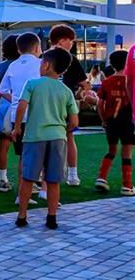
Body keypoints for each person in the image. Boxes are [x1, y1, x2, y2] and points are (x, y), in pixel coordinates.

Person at [12, 48, 78, 229]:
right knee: (53, 180)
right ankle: (51, 217)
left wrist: (17, 127)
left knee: (28, 178)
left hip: (34, 137)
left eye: (41, 63)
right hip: (58, 138)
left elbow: (21, 106)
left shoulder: (32, 84)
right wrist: (64, 131)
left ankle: (22, 216)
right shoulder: (66, 91)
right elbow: (74, 120)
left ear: (47, 65)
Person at [0, 32, 44, 204]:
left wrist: (17, 100)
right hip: (37, 113)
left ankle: (22, 193)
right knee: (42, 153)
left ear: (18, 49)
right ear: (37, 48)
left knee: (22, 155)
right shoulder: (41, 64)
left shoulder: (13, 66)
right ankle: (42, 189)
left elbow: (2, 90)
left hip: (17, 115)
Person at [48, 24, 87, 186]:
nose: (72, 43)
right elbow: (85, 84)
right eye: (70, 40)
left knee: (45, 140)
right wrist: (79, 94)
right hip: (65, 103)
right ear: (62, 40)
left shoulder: (44, 57)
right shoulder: (71, 59)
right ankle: (72, 175)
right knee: (69, 137)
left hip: (45, 102)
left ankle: (42, 178)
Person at [95, 49, 134, 195]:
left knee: (111, 150)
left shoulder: (106, 82)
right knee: (127, 153)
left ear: (111, 65)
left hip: (111, 121)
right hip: (128, 121)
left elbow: (100, 104)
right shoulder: (131, 81)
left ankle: (101, 178)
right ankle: (127, 185)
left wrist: (104, 119)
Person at [0, 34, 20, 192]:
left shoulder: (1, 66)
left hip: (3, 105)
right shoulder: (23, 64)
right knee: (26, 146)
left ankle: (2, 179)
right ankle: (32, 180)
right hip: (20, 106)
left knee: (3, 145)